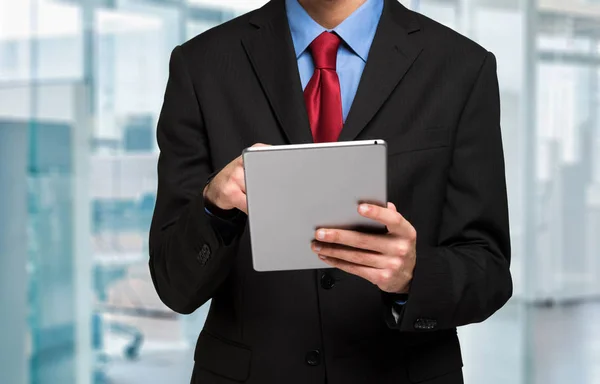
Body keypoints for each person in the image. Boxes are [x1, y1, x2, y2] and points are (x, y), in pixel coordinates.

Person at [149, 0, 512, 383]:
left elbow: (488, 270)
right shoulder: (202, 64)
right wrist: (214, 208)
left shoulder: (461, 67)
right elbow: (174, 285)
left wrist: (414, 275)